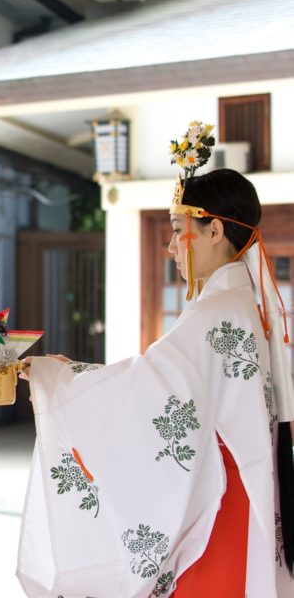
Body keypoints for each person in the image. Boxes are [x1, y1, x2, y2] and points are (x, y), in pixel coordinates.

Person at [18, 122, 294, 597]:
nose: (169, 248)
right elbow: (163, 381)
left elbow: (151, 390)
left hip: (224, 505)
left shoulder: (218, 311)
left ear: (214, 230)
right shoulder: (243, 304)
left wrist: (61, 379)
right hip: (242, 490)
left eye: (176, 232)